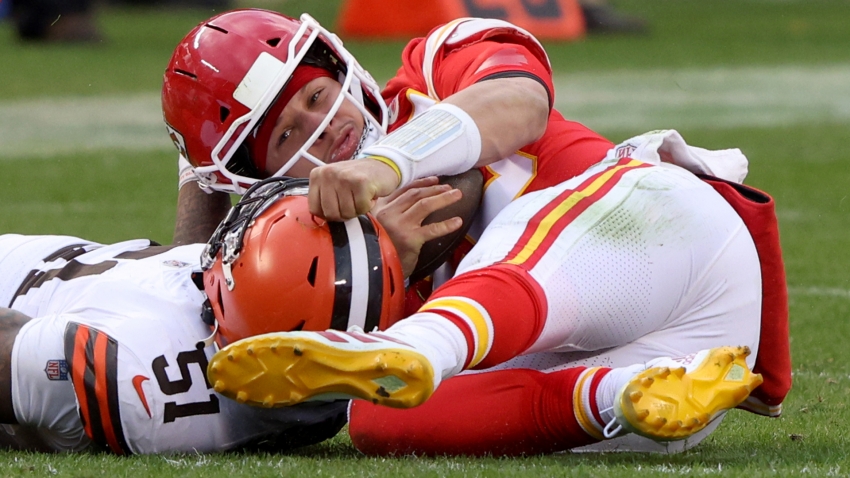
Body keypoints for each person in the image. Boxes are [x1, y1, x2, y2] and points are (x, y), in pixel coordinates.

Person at [201, 133, 789, 455]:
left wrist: (387, 163)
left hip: (668, 230)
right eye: (286, 136)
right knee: (377, 422)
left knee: (525, 273)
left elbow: (513, 100)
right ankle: (613, 398)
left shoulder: (434, 82)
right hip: (696, 367)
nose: (323, 133)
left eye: (312, 98)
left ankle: (426, 345)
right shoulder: (339, 288)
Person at [0, 233, 347, 454]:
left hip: (24, 283)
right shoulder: (283, 329)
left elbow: (16, 355)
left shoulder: (133, 370)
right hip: (55, 269)